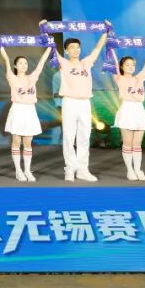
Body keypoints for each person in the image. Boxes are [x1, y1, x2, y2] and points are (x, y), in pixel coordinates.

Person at [47, 22, 109, 182]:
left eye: (78, 47)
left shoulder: (86, 63)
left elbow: (98, 48)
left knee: (84, 137)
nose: (75, 50)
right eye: (72, 48)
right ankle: (69, 169)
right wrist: (45, 30)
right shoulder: (64, 63)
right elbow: (50, 45)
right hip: (69, 102)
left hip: (84, 103)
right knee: (69, 136)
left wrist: (106, 31)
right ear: (66, 51)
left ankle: (82, 170)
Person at [0, 45, 52, 182]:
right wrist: (1, 47)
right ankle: (18, 170)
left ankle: (27, 170)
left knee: (28, 141)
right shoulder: (12, 77)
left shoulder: (31, 78)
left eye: (25, 63)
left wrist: (49, 48)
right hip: (17, 110)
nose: (24, 65)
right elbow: (6, 60)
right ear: (15, 66)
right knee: (16, 140)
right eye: (21, 63)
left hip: (30, 110)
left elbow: (41, 64)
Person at [112, 49, 145, 181]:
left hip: (139, 110)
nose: (131, 67)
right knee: (128, 143)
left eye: (133, 65)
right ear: (121, 67)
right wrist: (111, 46)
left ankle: (138, 170)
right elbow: (114, 61)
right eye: (127, 64)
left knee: (137, 144)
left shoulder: (139, 77)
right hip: (127, 110)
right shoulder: (119, 78)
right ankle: (130, 171)